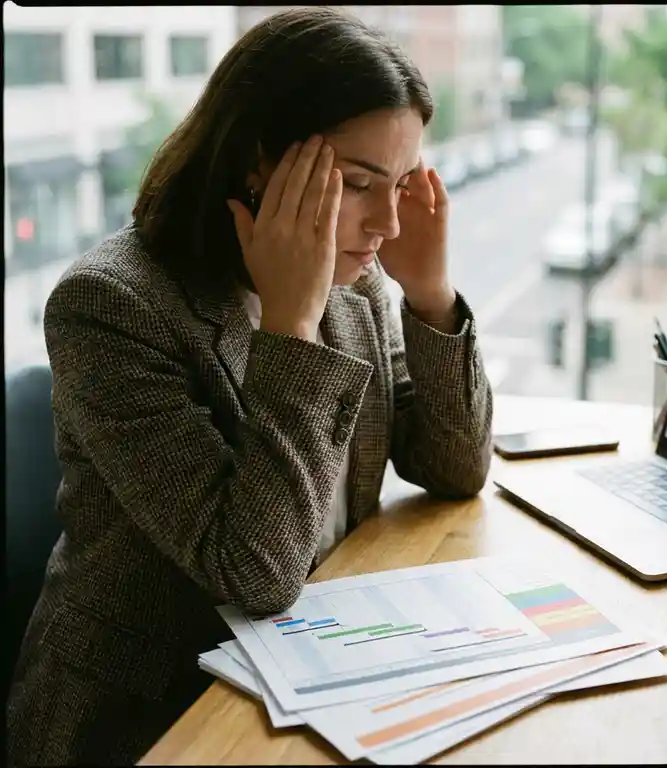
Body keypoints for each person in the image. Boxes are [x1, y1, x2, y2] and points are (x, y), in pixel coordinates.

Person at [6, 8, 493, 766]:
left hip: (308, 667)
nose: (389, 224)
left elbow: (455, 468)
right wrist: (291, 325)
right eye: (361, 185)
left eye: (400, 185)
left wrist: (429, 296)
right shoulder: (112, 307)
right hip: (153, 713)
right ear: (258, 163)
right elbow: (255, 570)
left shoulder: (354, 289)